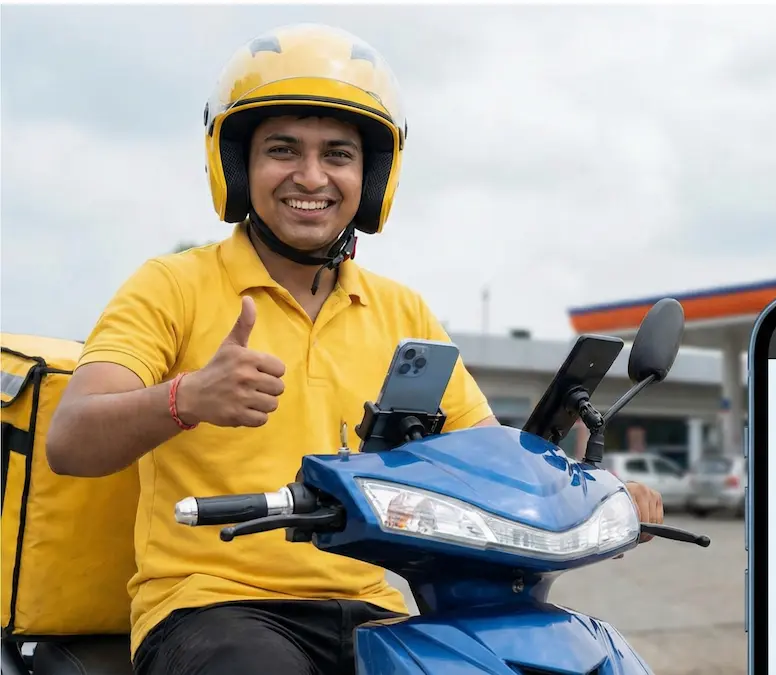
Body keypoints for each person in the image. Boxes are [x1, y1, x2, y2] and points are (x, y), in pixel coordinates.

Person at [44, 23, 665, 675]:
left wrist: (600, 497)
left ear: (370, 177)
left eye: (337, 154)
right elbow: (71, 439)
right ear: (238, 165)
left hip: (373, 604)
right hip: (214, 607)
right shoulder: (170, 286)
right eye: (282, 149)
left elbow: (489, 456)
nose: (311, 176)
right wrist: (186, 397)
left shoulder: (402, 311)